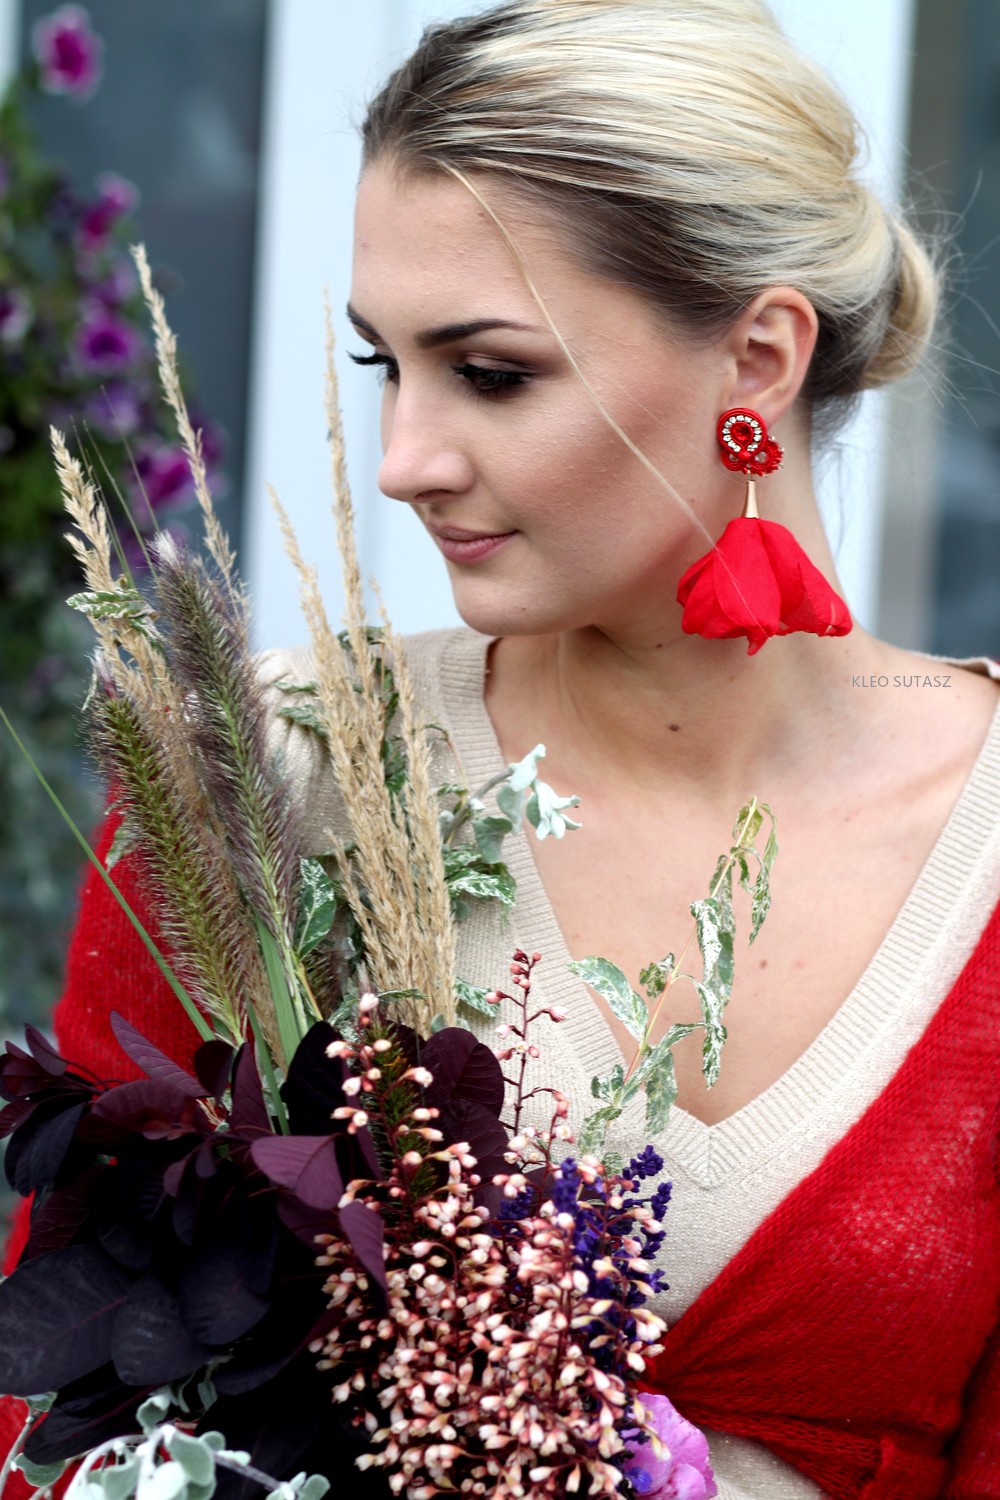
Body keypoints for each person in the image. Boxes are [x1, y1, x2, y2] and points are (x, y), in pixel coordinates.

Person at [2, 2, 998, 1497]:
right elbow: (61, 1410)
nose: (404, 460)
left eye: (489, 372)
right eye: (383, 365)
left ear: (759, 357)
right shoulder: (278, 773)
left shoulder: (981, 834)